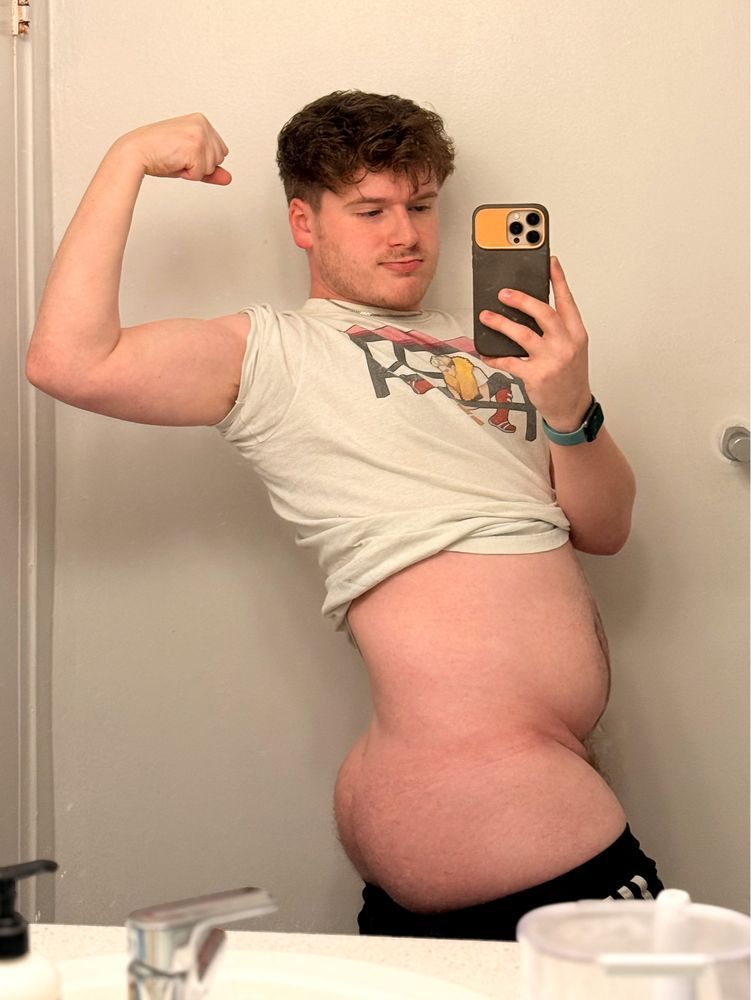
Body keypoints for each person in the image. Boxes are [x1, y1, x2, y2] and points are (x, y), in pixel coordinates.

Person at [26, 90, 663, 940]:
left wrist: (569, 406)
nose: (405, 234)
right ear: (304, 222)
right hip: (493, 805)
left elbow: (606, 529)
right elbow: (68, 361)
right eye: (370, 211)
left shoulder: (503, 346)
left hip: (524, 794)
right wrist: (127, 159)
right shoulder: (278, 353)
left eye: (421, 206)